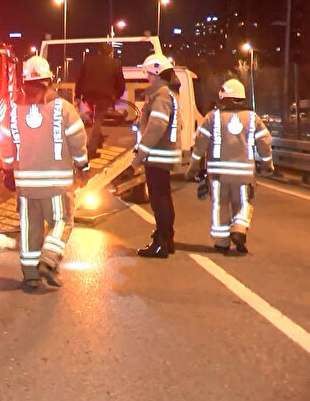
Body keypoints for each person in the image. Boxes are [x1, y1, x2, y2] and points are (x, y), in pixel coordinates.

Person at [0, 56, 89, 290]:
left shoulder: (12, 112)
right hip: (57, 185)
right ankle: (48, 261)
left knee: (30, 228)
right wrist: (82, 165)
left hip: (26, 186)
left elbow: (5, 143)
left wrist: (9, 169)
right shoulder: (63, 109)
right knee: (61, 221)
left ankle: (30, 274)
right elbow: (78, 140)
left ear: (24, 83)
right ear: (49, 81)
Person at [185, 79, 274, 254]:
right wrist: (267, 163)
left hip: (218, 176)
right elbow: (264, 141)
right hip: (243, 175)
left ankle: (221, 242)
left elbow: (200, 145)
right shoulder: (252, 118)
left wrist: (193, 167)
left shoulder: (212, 117)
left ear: (223, 97)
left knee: (220, 205)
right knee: (243, 203)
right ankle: (239, 229)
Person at [132, 53, 183, 258]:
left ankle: (161, 241)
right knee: (164, 196)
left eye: (148, 74)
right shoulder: (169, 94)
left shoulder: (161, 95)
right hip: (165, 154)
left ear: (156, 73)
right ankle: (167, 238)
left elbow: (157, 127)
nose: (147, 78)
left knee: (158, 199)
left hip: (158, 155)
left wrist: (139, 154)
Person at [76, 43, 126, 158]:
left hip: (88, 96)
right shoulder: (115, 64)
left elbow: (80, 79)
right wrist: (118, 95)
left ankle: (99, 140)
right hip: (105, 97)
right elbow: (120, 82)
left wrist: (78, 95)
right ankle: (91, 150)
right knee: (98, 120)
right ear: (110, 52)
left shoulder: (88, 61)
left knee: (95, 118)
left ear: (98, 51)